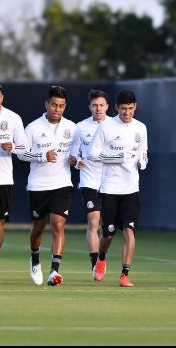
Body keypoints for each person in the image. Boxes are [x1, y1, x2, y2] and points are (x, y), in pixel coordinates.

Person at [17, 86, 80, 286]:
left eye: (61, 106)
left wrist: (75, 161)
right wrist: (42, 156)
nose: (57, 109)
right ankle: (35, 258)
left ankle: (54, 270)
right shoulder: (33, 127)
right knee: (38, 227)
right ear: (46, 104)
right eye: (54, 105)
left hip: (62, 184)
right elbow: (21, 154)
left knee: (58, 224)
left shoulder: (72, 127)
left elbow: (78, 153)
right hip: (38, 185)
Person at [87, 89, 148, 288]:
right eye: (123, 109)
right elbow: (92, 153)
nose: (127, 113)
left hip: (131, 189)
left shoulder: (141, 128)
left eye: (130, 109)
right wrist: (117, 159)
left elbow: (143, 153)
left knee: (129, 232)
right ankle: (101, 258)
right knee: (109, 234)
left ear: (135, 107)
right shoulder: (106, 127)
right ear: (116, 108)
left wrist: (142, 162)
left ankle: (124, 274)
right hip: (110, 188)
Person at [0, 81, 27, 285]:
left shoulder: (13, 118)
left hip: (2, 179)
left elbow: (24, 148)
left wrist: (12, 147)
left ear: (3, 98)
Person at [73, 90, 109, 280]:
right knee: (93, 221)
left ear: (107, 107)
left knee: (108, 226)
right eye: (94, 105)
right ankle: (95, 263)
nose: (98, 108)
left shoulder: (114, 126)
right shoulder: (80, 127)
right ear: (90, 107)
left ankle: (102, 257)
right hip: (89, 180)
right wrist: (77, 161)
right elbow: (74, 153)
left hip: (111, 182)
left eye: (101, 105)